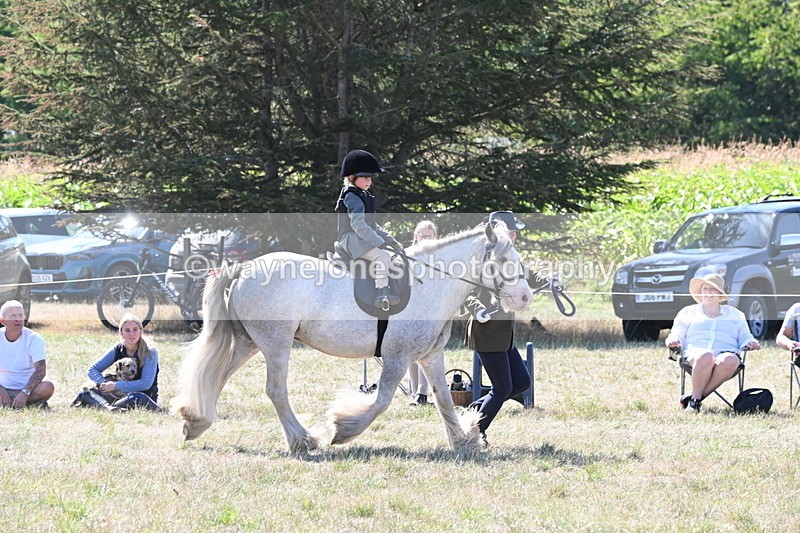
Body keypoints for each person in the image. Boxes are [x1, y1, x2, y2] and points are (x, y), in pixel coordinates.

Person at [463, 211, 531, 448]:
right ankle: (473, 434)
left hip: (505, 335)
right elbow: (467, 293)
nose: (514, 236)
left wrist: (550, 281)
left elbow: (527, 277)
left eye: (514, 232)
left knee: (521, 382)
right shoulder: (483, 261)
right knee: (502, 388)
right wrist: (478, 309)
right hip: (487, 332)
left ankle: (472, 411)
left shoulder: (511, 258)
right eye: (510, 231)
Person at [665, 273, 760, 413]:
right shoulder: (688, 312)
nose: (708, 293)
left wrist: (751, 342)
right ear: (700, 292)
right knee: (706, 355)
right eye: (705, 289)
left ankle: (694, 400)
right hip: (695, 355)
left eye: (713, 289)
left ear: (720, 293)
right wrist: (672, 340)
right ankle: (695, 399)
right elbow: (676, 334)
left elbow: (746, 337)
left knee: (730, 359)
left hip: (726, 354)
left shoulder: (735, 314)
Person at [335, 149, 403, 309]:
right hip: (351, 239)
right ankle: (382, 293)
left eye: (370, 178)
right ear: (352, 177)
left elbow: (372, 226)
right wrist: (379, 243)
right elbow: (359, 225)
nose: (369, 181)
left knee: (391, 254)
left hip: (359, 237)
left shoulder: (363, 195)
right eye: (365, 177)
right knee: (383, 257)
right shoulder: (352, 196)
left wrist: (390, 240)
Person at [76, 313, 161, 411]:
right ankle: (109, 408)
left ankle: (103, 406)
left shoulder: (150, 352)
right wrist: (105, 383)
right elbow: (92, 369)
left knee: (136, 397)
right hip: (118, 397)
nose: (131, 334)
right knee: (85, 392)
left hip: (141, 396)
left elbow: (146, 384)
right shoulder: (118, 349)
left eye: (135, 329)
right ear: (121, 333)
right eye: (127, 330)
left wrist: (115, 386)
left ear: (141, 331)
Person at [0, 300, 55, 409]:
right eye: (13, 316)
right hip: (2, 387)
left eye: (21, 315)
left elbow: (41, 371)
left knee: (48, 387)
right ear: (2, 321)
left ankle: (13, 403)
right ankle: (28, 404)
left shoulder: (34, 338)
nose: (18, 319)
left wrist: (25, 393)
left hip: (28, 389)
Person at [407, 220, 438, 407]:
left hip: (430, 309)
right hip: (409, 307)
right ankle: (415, 391)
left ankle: (422, 392)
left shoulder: (439, 257)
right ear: (415, 236)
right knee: (410, 353)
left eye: (429, 236)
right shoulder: (407, 255)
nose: (425, 238)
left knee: (425, 352)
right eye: (422, 235)